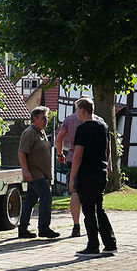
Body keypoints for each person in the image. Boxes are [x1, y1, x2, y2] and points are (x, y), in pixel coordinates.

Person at [69, 97, 117, 257]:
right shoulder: (103, 126)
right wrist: (109, 165)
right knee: (100, 208)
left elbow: (78, 155)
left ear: (83, 110)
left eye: (77, 110)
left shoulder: (82, 129)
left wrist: (72, 177)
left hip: (87, 173)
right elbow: (108, 149)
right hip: (100, 171)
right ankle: (110, 243)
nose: (77, 113)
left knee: (89, 210)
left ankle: (93, 245)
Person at [17, 106, 59, 239]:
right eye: (44, 118)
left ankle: (23, 229)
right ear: (35, 118)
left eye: (47, 118)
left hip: (42, 173)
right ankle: (44, 228)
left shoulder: (41, 132)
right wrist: (26, 171)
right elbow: (22, 152)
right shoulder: (29, 133)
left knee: (30, 201)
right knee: (46, 197)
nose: (46, 120)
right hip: (35, 174)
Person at [55, 106, 86, 237]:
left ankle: (76, 226)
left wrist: (60, 154)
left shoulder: (69, 119)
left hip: (73, 158)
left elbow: (59, 139)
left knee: (74, 191)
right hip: (90, 160)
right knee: (90, 193)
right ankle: (92, 222)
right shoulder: (96, 119)